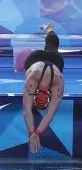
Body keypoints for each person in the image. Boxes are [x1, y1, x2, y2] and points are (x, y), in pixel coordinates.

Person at [23, 24, 66, 154]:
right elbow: (48, 114)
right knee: (51, 46)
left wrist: (34, 133)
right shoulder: (57, 81)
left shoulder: (58, 81)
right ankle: (50, 29)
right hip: (37, 63)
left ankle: (50, 30)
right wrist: (35, 133)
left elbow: (28, 111)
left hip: (42, 62)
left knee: (52, 46)